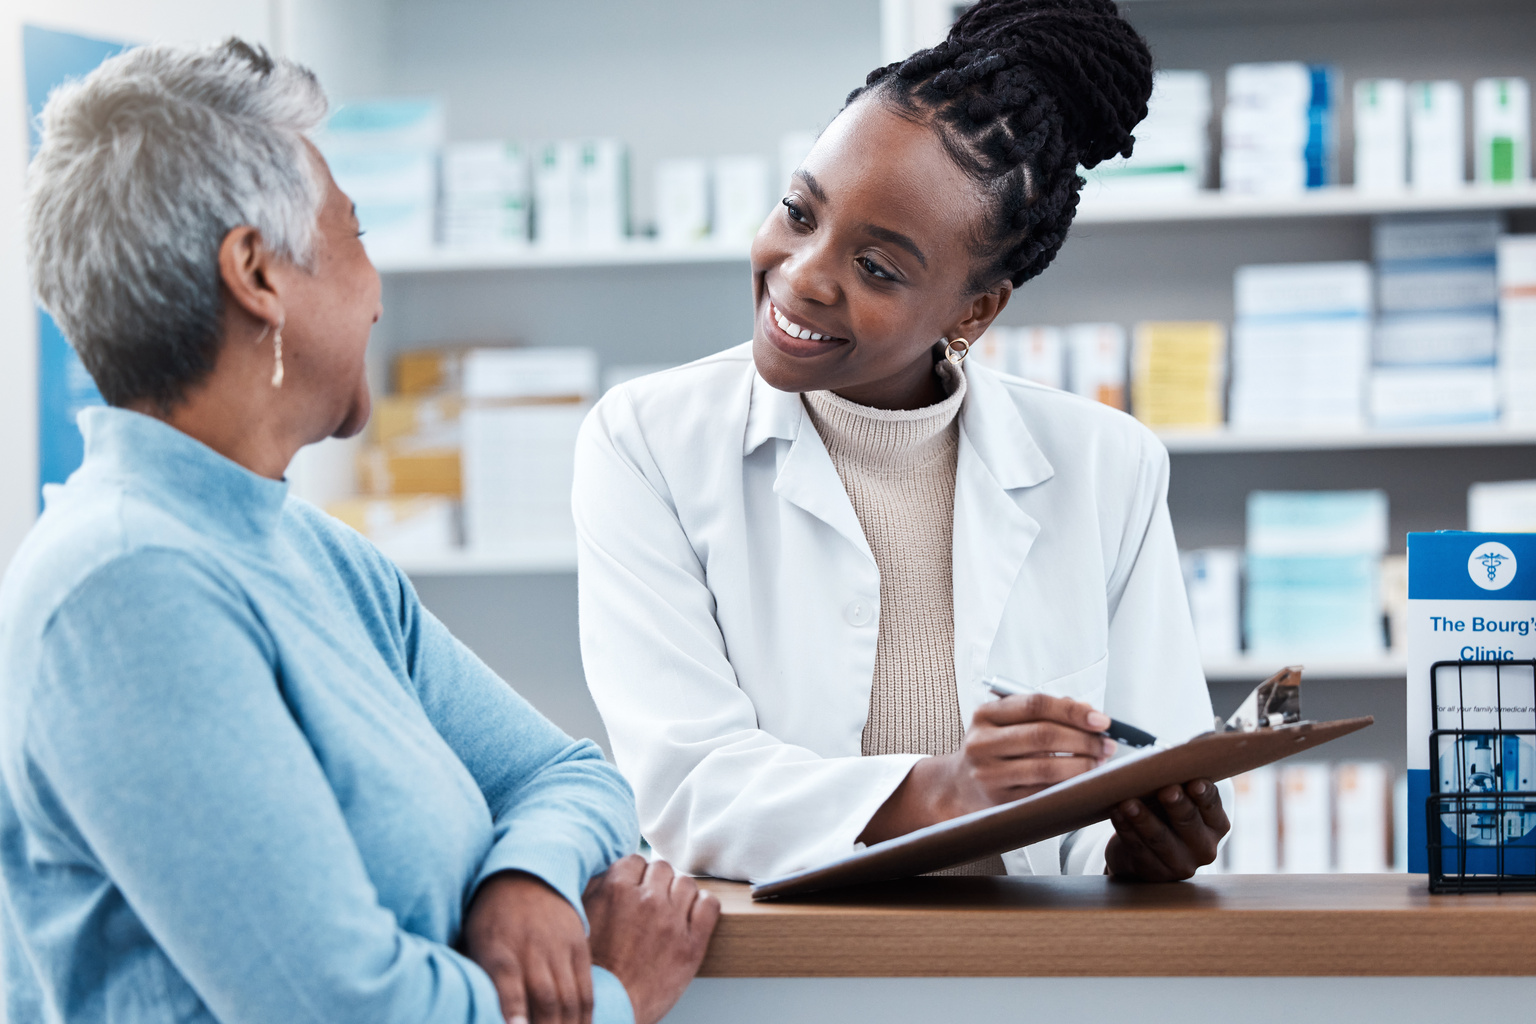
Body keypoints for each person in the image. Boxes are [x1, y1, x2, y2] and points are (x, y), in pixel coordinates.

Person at [0, 39, 715, 1024]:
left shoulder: (315, 553)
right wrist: (611, 995)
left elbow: (569, 774)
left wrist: (529, 876)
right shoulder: (124, 587)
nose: (377, 289)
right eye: (356, 233)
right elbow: (340, 1007)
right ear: (256, 272)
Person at [574, 0, 1230, 885]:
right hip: (779, 980)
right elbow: (689, 786)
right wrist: (945, 789)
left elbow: (1147, 768)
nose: (802, 278)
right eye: (800, 213)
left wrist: (1147, 851)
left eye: (877, 268)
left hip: (1032, 981)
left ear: (974, 310)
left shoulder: (1105, 466)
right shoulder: (647, 441)